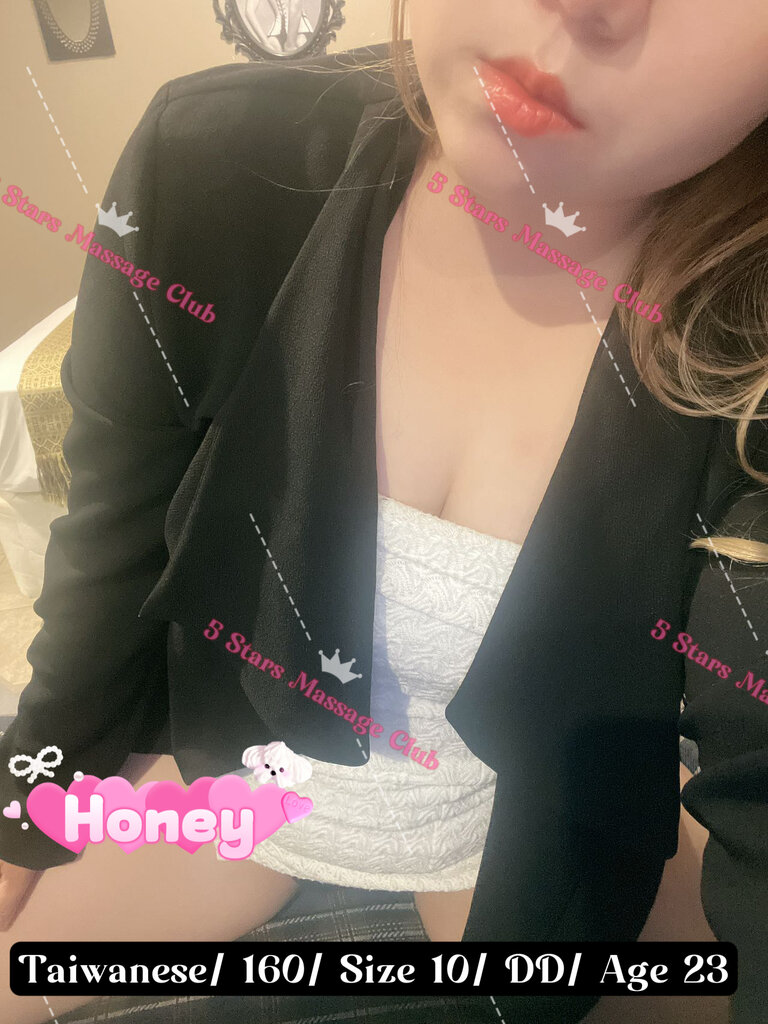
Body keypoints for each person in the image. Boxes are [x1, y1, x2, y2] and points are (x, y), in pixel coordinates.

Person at [1, 1, 767, 1022]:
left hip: (523, 840)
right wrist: (28, 800)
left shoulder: (749, 343)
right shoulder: (216, 162)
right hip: (232, 785)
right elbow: (108, 553)